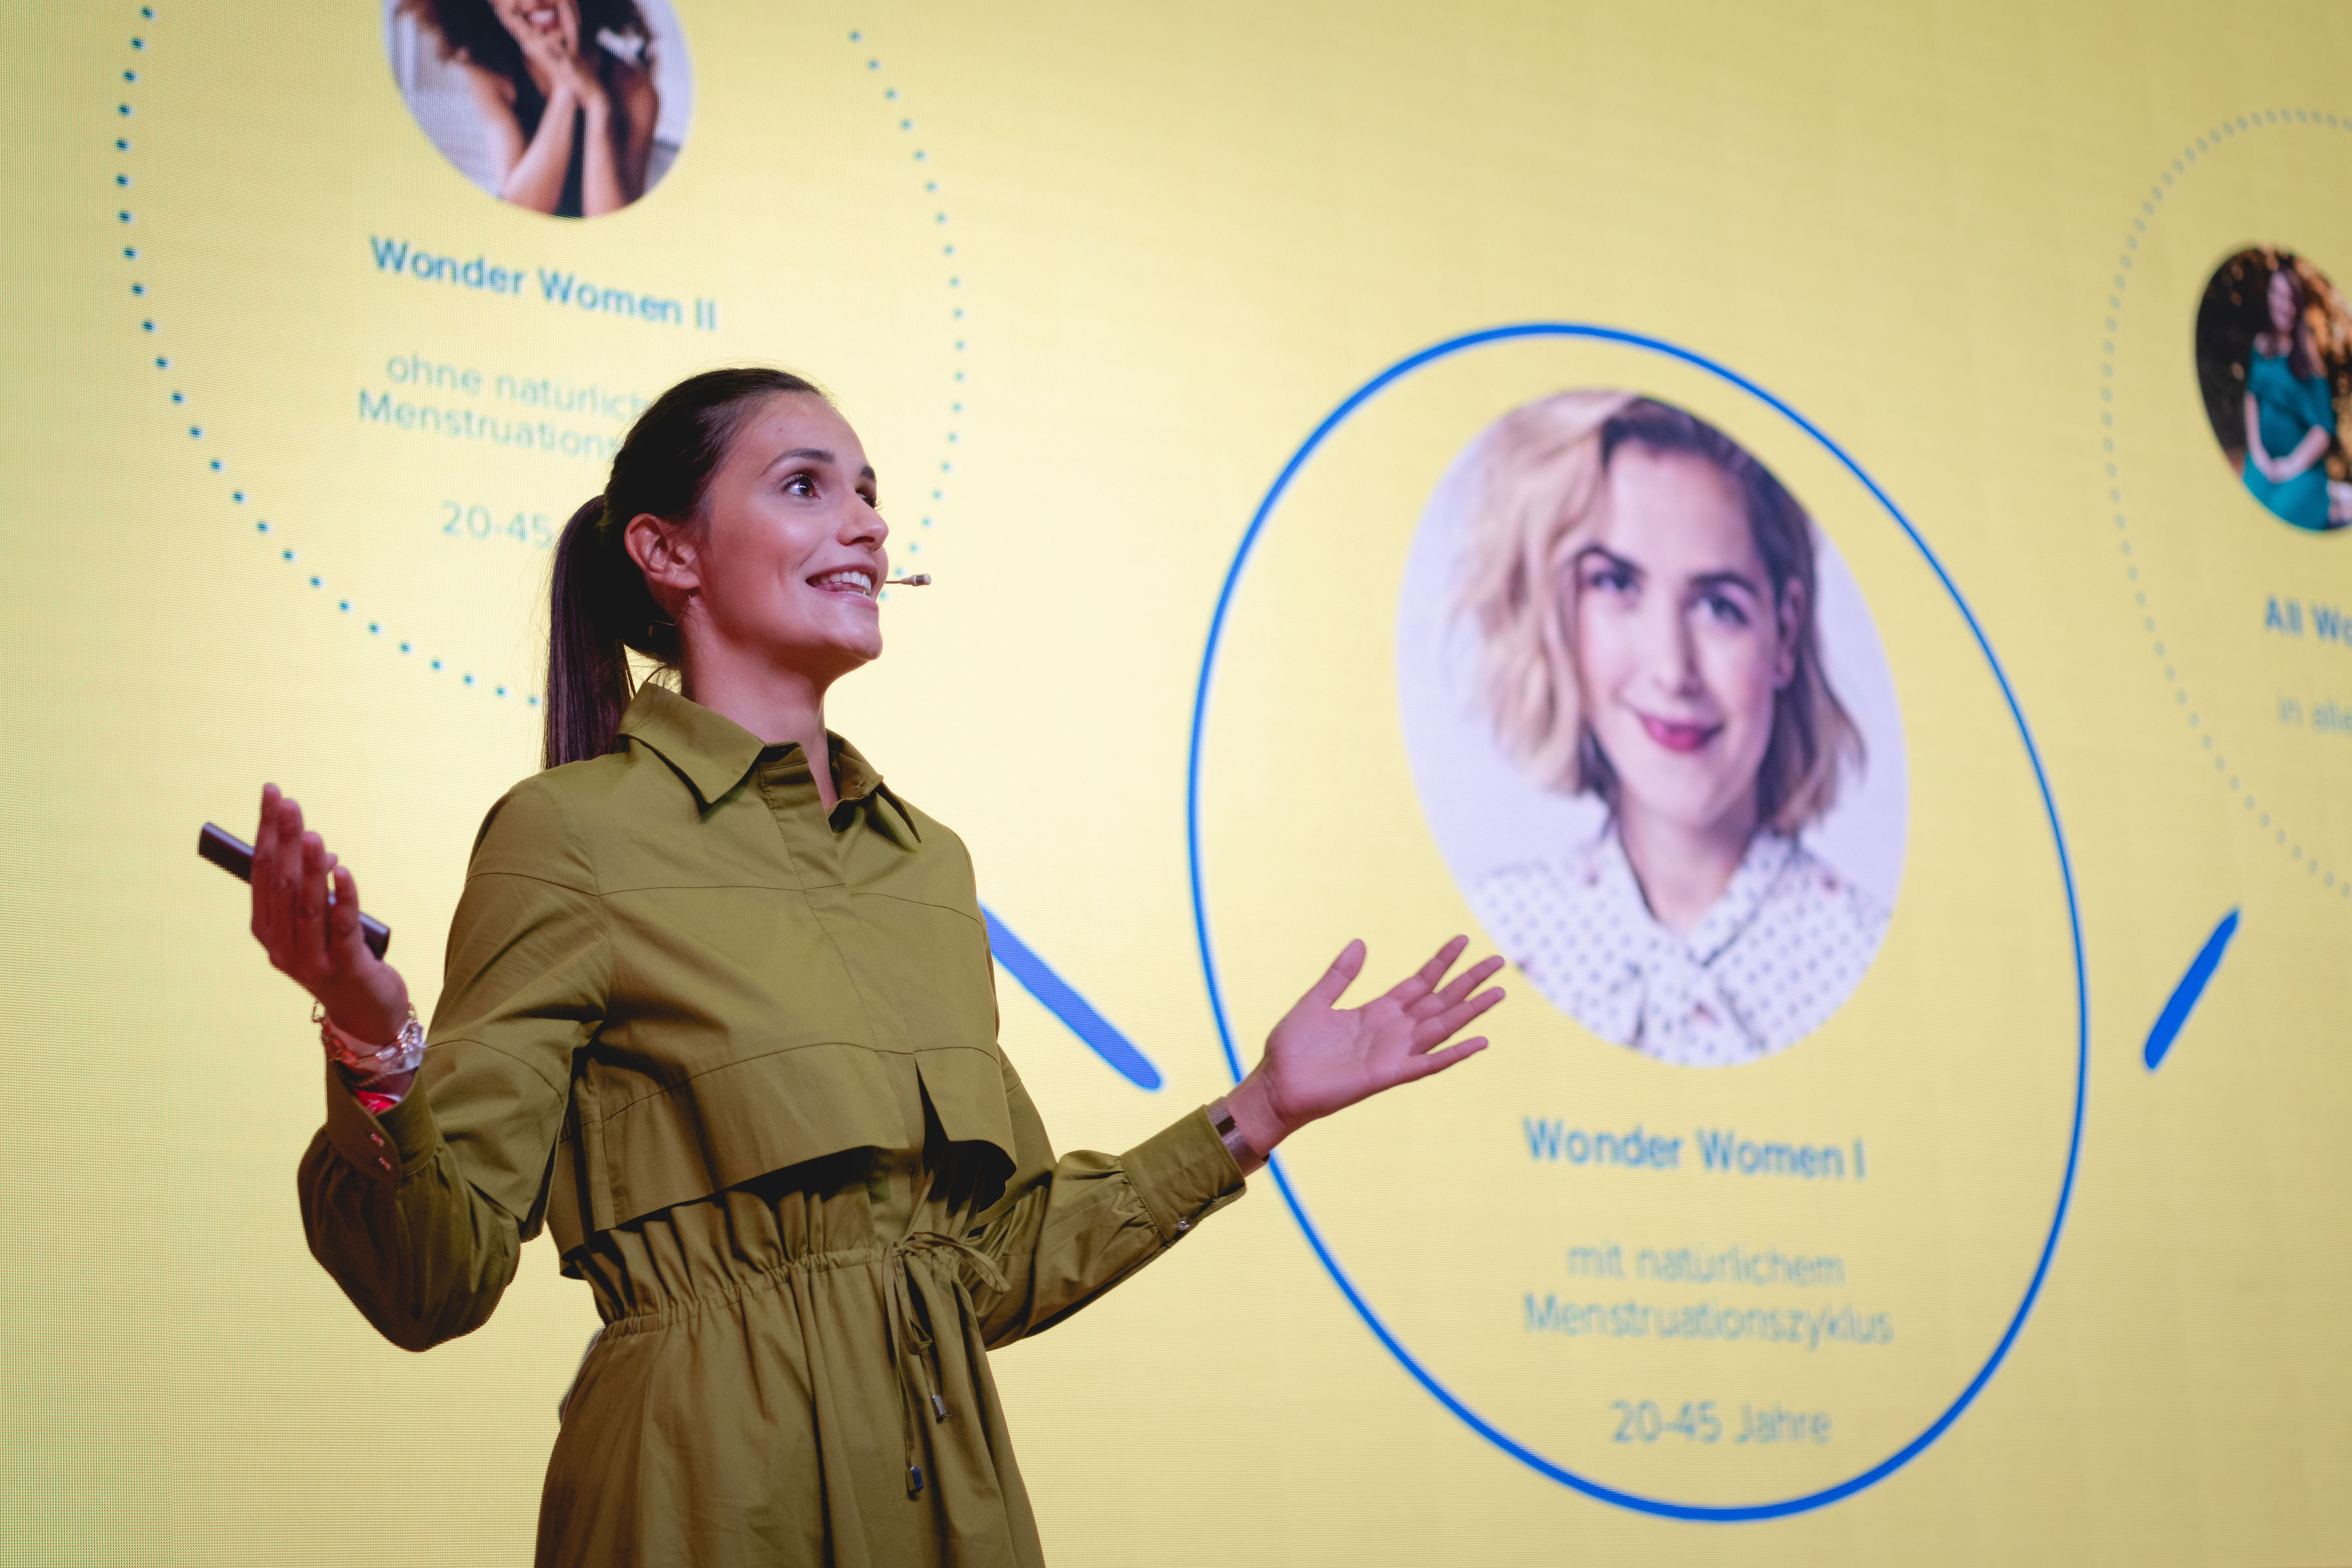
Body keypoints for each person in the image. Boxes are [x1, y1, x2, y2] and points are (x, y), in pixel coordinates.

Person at [248, 367, 1504, 1566]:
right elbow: (433, 1278)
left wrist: (1261, 1110)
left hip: (952, 1509)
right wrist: (368, 1034)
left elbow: (991, 1266)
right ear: (668, 553)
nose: (865, 522)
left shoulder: (927, 867)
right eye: (806, 486)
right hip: (702, 1497)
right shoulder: (569, 835)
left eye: (867, 491)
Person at [1456, 393, 1883, 1067]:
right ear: (1563, 614)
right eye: (1617, 585)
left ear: (1784, 630)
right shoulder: (1494, 942)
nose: (1671, 669)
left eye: (1718, 606)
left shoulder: (1870, 963)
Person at [399, 0, 660, 218]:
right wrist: (565, 88)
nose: (534, 2)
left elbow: (608, 233)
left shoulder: (636, 88)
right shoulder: (490, 74)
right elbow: (523, 210)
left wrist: (598, 106)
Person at [2240, 263, 2339, 531]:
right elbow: (2252, 398)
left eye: (2290, 298)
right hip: (2262, 461)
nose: (2283, 305)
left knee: (2279, 514)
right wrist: (2257, 452)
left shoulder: (2310, 360)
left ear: (2299, 305)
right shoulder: (2261, 345)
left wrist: (2288, 467)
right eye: (2276, 294)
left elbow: (2323, 431)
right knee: (2247, 510)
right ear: (2269, 297)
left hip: (2301, 470)